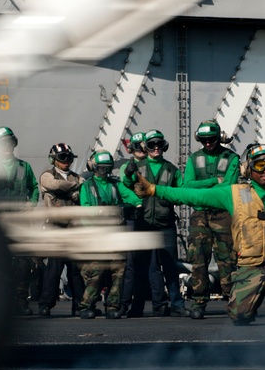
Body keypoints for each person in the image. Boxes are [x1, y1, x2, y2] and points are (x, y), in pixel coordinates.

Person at [139, 144, 265, 326]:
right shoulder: (234, 194)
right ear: (248, 169)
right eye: (260, 165)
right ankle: (250, 300)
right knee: (240, 317)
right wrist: (154, 190)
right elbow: (193, 196)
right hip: (250, 268)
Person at [123, 129, 187, 317]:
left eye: (159, 144)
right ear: (146, 147)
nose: (156, 147)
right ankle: (138, 307)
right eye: (152, 144)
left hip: (165, 222)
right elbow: (125, 186)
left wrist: (169, 197)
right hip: (143, 223)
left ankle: (177, 305)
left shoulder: (171, 169)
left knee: (170, 266)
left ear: (164, 146)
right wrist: (128, 174)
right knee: (142, 268)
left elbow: (181, 193)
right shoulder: (137, 166)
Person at [181, 120, 239, 319]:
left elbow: (229, 188)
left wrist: (202, 188)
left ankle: (232, 300)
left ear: (218, 137)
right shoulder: (194, 158)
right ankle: (198, 301)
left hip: (222, 215)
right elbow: (187, 185)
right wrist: (214, 181)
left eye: (211, 139)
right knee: (198, 259)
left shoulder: (231, 158)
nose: (208, 143)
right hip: (200, 215)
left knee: (227, 260)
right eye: (204, 140)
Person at [77, 150, 143, 319]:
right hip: (96, 234)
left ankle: (113, 306)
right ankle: (86, 306)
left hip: (115, 234)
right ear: (94, 168)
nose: (104, 172)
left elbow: (130, 196)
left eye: (107, 168)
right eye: (101, 168)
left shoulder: (115, 184)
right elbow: (85, 210)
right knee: (96, 271)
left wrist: (137, 204)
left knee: (118, 270)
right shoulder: (86, 186)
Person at [0, 126, 40, 316]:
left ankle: (20, 301)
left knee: (22, 263)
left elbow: (34, 187)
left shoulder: (24, 167)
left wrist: (32, 203)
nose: (6, 146)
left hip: (20, 220)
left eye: (9, 142)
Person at [37, 142, 86, 317]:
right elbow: (54, 186)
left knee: (75, 269)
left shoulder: (75, 176)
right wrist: (74, 187)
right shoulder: (47, 176)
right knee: (54, 269)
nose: (66, 161)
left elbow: (75, 191)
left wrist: (70, 189)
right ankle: (45, 304)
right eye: (62, 157)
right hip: (56, 227)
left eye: (68, 157)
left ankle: (79, 305)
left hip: (73, 228)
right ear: (54, 159)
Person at [117, 132, 151, 317]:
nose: (141, 151)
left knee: (146, 266)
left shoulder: (152, 166)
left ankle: (139, 305)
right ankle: (124, 303)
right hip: (133, 217)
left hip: (149, 217)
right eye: (138, 147)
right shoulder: (126, 167)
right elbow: (124, 186)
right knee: (130, 265)